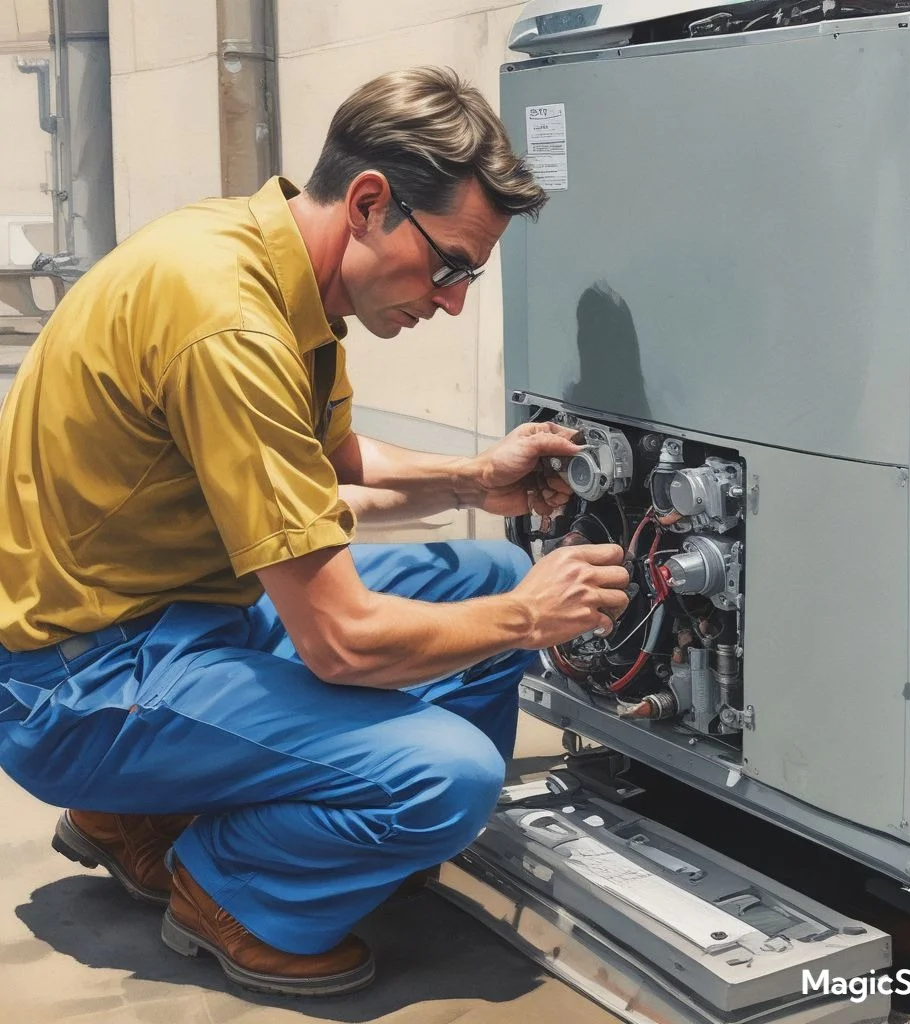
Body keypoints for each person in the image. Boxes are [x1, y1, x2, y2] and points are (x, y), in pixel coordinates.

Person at [0, 67, 629, 996]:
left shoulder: (273, 263)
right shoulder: (229, 323)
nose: (453, 300)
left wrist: (472, 476)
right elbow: (339, 643)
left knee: (492, 569)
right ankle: (234, 889)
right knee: (448, 774)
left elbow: (323, 457)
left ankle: (149, 810)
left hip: (176, 615)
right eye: (451, 265)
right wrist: (534, 619)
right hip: (83, 680)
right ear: (370, 202)